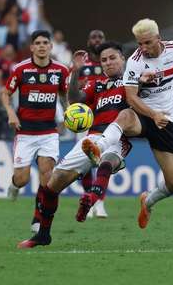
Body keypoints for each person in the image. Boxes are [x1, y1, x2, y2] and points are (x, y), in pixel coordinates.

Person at [80, 18, 173, 230]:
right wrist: (152, 113)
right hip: (143, 113)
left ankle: (148, 201)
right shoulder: (135, 61)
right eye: (139, 43)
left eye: (147, 43)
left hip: (166, 121)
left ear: (158, 39)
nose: (143, 48)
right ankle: (99, 147)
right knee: (124, 115)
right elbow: (131, 98)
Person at [17, 41, 132, 248]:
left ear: (123, 58)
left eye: (112, 58)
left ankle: (92, 198)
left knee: (108, 160)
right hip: (92, 138)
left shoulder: (132, 82)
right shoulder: (96, 84)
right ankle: (43, 235)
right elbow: (75, 100)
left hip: (118, 137)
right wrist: (76, 71)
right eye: (104, 60)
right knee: (52, 186)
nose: (107, 63)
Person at [2, 30, 69, 233]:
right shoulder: (21, 69)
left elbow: (64, 96)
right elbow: (5, 93)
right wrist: (11, 113)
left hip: (49, 131)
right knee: (22, 179)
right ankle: (14, 186)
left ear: (50, 46)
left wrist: (68, 114)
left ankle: (38, 218)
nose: (41, 46)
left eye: (45, 42)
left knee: (47, 177)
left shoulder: (61, 71)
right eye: (37, 43)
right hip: (25, 132)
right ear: (31, 47)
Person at [75, 29, 109, 218]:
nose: (96, 40)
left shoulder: (110, 61)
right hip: (84, 117)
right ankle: (88, 198)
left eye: (100, 37)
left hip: (105, 115)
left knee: (104, 160)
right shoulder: (82, 64)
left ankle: (100, 203)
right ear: (88, 41)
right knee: (85, 162)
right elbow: (72, 90)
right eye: (93, 37)